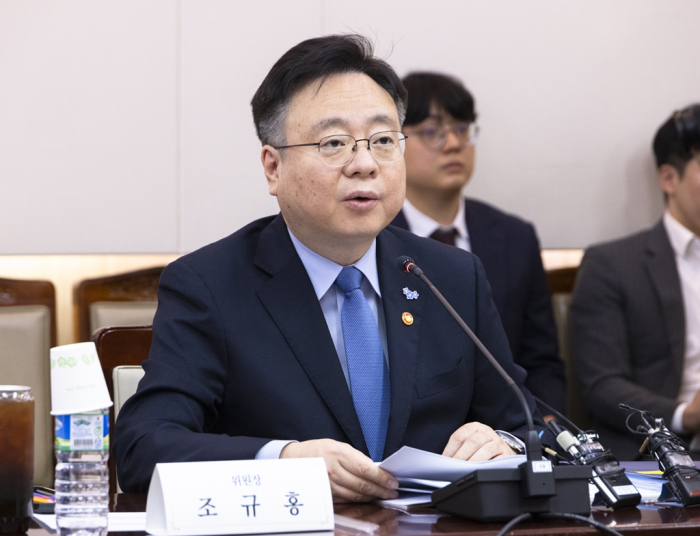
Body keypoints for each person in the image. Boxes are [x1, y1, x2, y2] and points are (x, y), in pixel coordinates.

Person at [113, 35, 544, 501]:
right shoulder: (209, 286)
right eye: (334, 143)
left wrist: (506, 444)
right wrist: (284, 461)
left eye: (382, 141)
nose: (364, 164)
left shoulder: (451, 276)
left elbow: (528, 423)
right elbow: (142, 447)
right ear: (273, 168)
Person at [390, 73, 565, 419]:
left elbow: (541, 359)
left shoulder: (515, 238)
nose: (454, 144)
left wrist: (542, 426)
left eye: (462, 129)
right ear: (396, 142)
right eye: (432, 132)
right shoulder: (374, 235)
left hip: (504, 432)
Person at [570, 104, 700, 460]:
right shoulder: (612, 265)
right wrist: (686, 415)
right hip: (662, 452)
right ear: (669, 179)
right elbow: (601, 385)